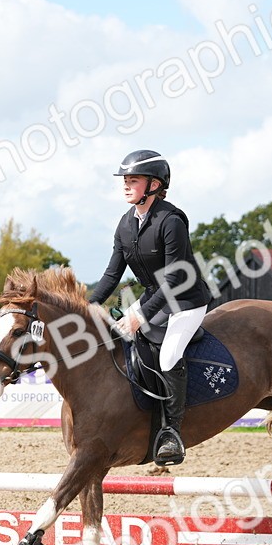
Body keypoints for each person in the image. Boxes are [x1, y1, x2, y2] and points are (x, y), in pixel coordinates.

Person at [88, 149, 212, 466]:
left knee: (169, 354)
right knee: (120, 342)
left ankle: (172, 433)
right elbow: (111, 275)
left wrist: (139, 315)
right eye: (125, 180)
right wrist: (86, 306)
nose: (126, 185)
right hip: (155, 297)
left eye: (133, 180)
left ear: (154, 184)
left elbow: (175, 277)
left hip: (186, 300)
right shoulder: (126, 224)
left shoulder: (171, 221)